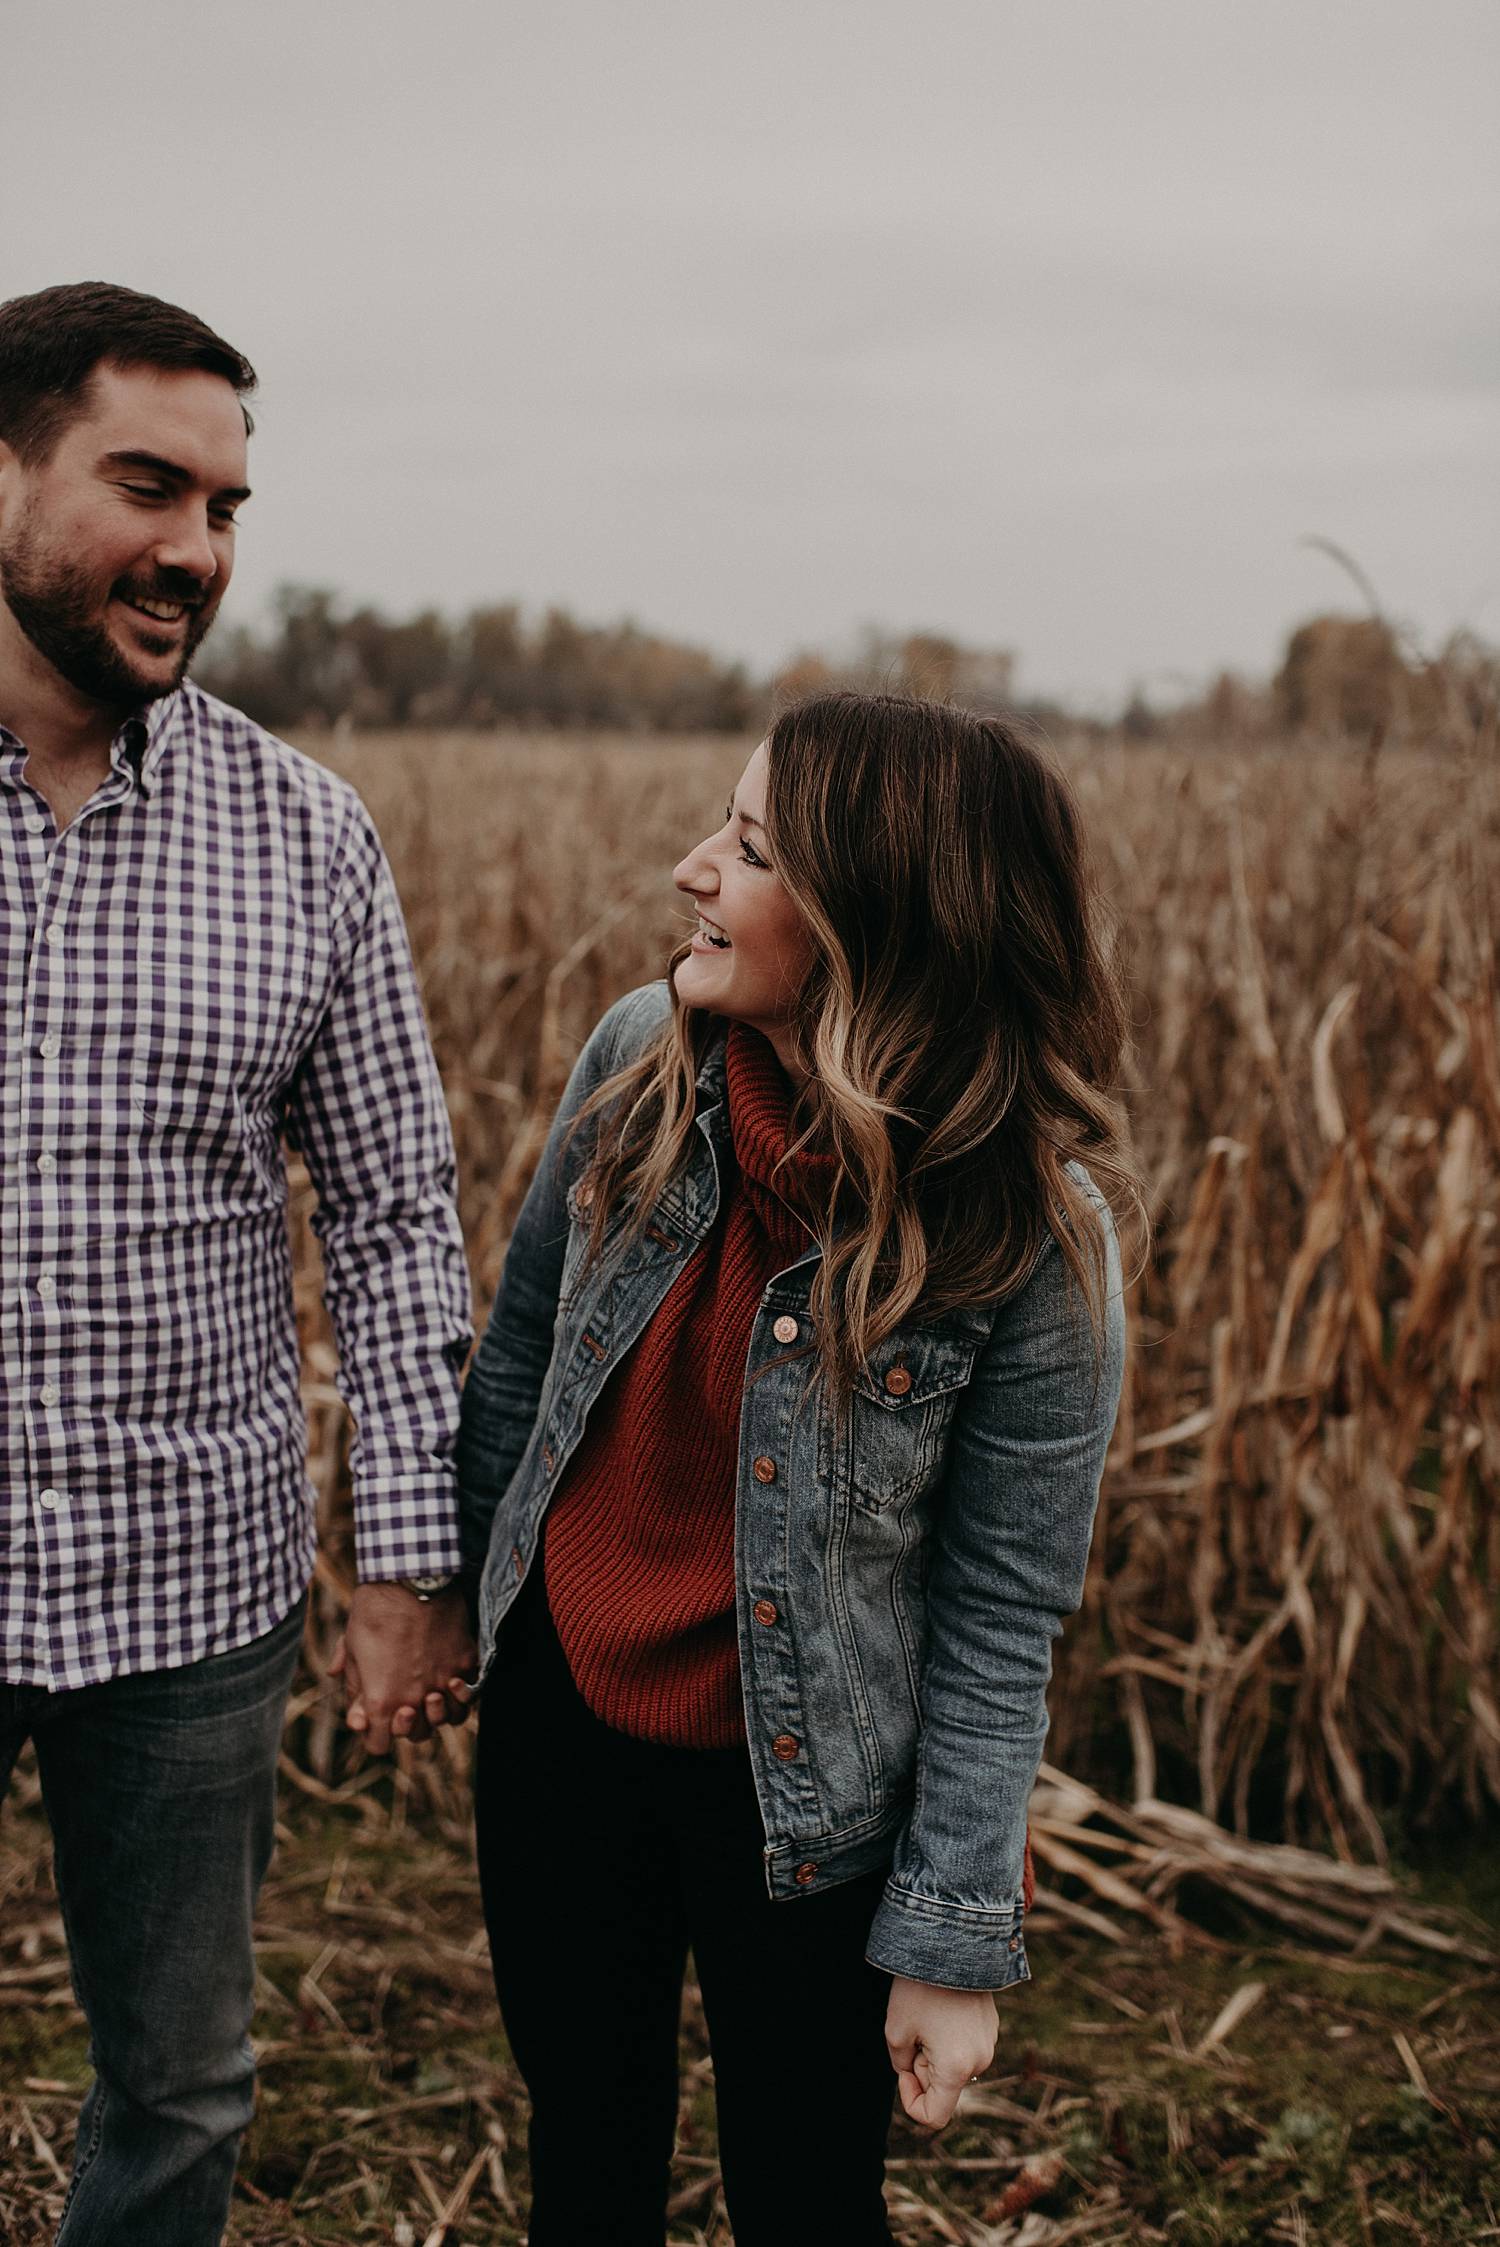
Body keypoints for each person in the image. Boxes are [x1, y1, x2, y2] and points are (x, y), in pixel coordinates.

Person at [456, 691, 1136, 2245]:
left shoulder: (1032, 1240)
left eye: (752, 848)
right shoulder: (639, 1059)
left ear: (872, 918)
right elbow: (518, 1370)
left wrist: (951, 1940)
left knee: (810, 2198)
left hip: (813, 1793)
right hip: (564, 1728)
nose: (695, 867)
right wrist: (438, 1605)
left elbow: (1002, 1608)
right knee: (589, 2158)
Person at [0, 281, 477, 2246]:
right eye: (147, 484)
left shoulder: (304, 836)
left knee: (182, 2080)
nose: (196, 548)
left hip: (187, 1578)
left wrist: (407, 1552)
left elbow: (391, 1211)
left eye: (227, 505)